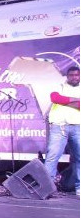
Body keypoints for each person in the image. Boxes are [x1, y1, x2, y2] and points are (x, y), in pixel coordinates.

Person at [44, 66, 80, 196]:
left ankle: (79, 187)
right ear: (67, 76)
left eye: (77, 75)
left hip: (78, 127)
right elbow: (55, 98)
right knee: (52, 157)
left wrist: (65, 100)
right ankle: (48, 188)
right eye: (71, 75)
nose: (74, 77)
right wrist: (75, 101)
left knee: (78, 158)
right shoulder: (60, 85)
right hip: (59, 127)